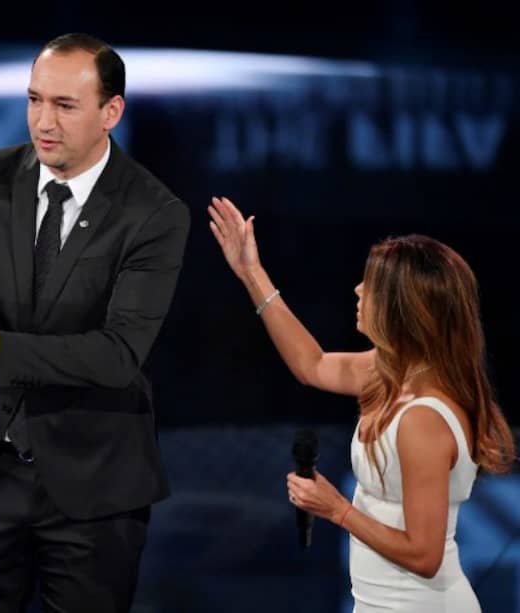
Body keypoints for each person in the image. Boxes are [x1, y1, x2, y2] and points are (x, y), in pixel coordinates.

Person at [0, 33, 190, 612]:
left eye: (65, 106)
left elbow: (119, 354)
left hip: (93, 487)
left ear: (111, 113)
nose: (42, 122)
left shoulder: (154, 212)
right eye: (33, 100)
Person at [208, 196, 515, 612]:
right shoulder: (387, 374)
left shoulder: (423, 417)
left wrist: (336, 509)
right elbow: (311, 364)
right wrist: (251, 273)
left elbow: (424, 557)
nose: (357, 289)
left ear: (401, 308)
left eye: (371, 284)